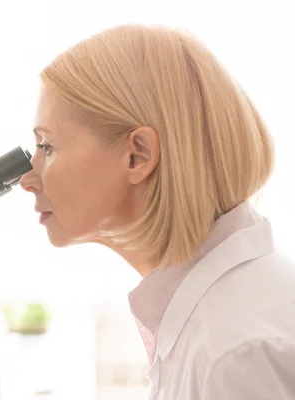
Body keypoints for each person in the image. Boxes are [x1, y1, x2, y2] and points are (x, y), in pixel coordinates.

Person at [20, 23, 295, 399]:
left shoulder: (234, 353)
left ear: (139, 155)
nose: (27, 179)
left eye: (46, 145)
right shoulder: (222, 311)